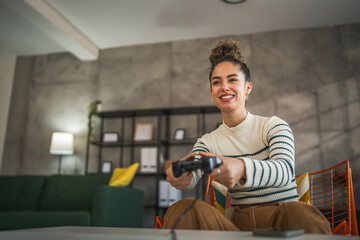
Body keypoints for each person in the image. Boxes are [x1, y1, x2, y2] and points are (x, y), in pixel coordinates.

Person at [163, 39, 331, 234]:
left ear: (247, 88)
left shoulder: (274, 126)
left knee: (302, 213)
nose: (224, 87)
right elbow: (190, 179)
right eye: (217, 82)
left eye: (232, 80)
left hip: (283, 217)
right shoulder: (207, 142)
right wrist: (180, 176)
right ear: (211, 92)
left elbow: (284, 170)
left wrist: (242, 167)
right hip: (237, 226)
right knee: (181, 208)